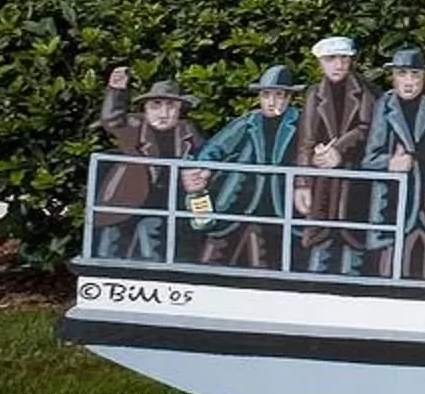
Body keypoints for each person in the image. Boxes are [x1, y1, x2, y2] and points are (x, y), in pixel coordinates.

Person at [363, 46, 425, 282]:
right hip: (393, 202)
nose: (408, 82)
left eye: (415, 74)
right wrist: (390, 163)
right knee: (388, 268)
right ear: (393, 77)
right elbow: (369, 159)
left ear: (424, 77)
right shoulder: (384, 106)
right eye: (402, 74)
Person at [193, 66, 301, 272]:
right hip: (240, 198)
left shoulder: (301, 123)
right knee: (215, 250)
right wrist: (204, 168)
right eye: (266, 95)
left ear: (289, 98)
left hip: (281, 202)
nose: (271, 101)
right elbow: (215, 147)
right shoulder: (248, 122)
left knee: (267, 256)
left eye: (278, 95)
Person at [287, 35, 374, 274]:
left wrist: (339, 150)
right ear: (320, 63)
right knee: (320, 244)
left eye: (344, 59)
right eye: (331, 59)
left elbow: (368, 129)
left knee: (353, 244)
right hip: (322, 182)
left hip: (354, 179)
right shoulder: (314, 94)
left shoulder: (366, 93)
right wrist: (303, 183)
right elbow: (306, 141)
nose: (338, 65)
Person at [94, 68, 199, 262]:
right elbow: (112, 120)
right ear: (145, 109)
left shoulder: (188, 131)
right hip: (125, 198)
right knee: (110, 242)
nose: (163, 113)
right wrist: (116, 90)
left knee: (151, 238)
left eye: (171, 106)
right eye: (156, 106)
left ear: (179, 110)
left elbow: (206, 157)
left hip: (164, 203)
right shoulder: (134, 125)